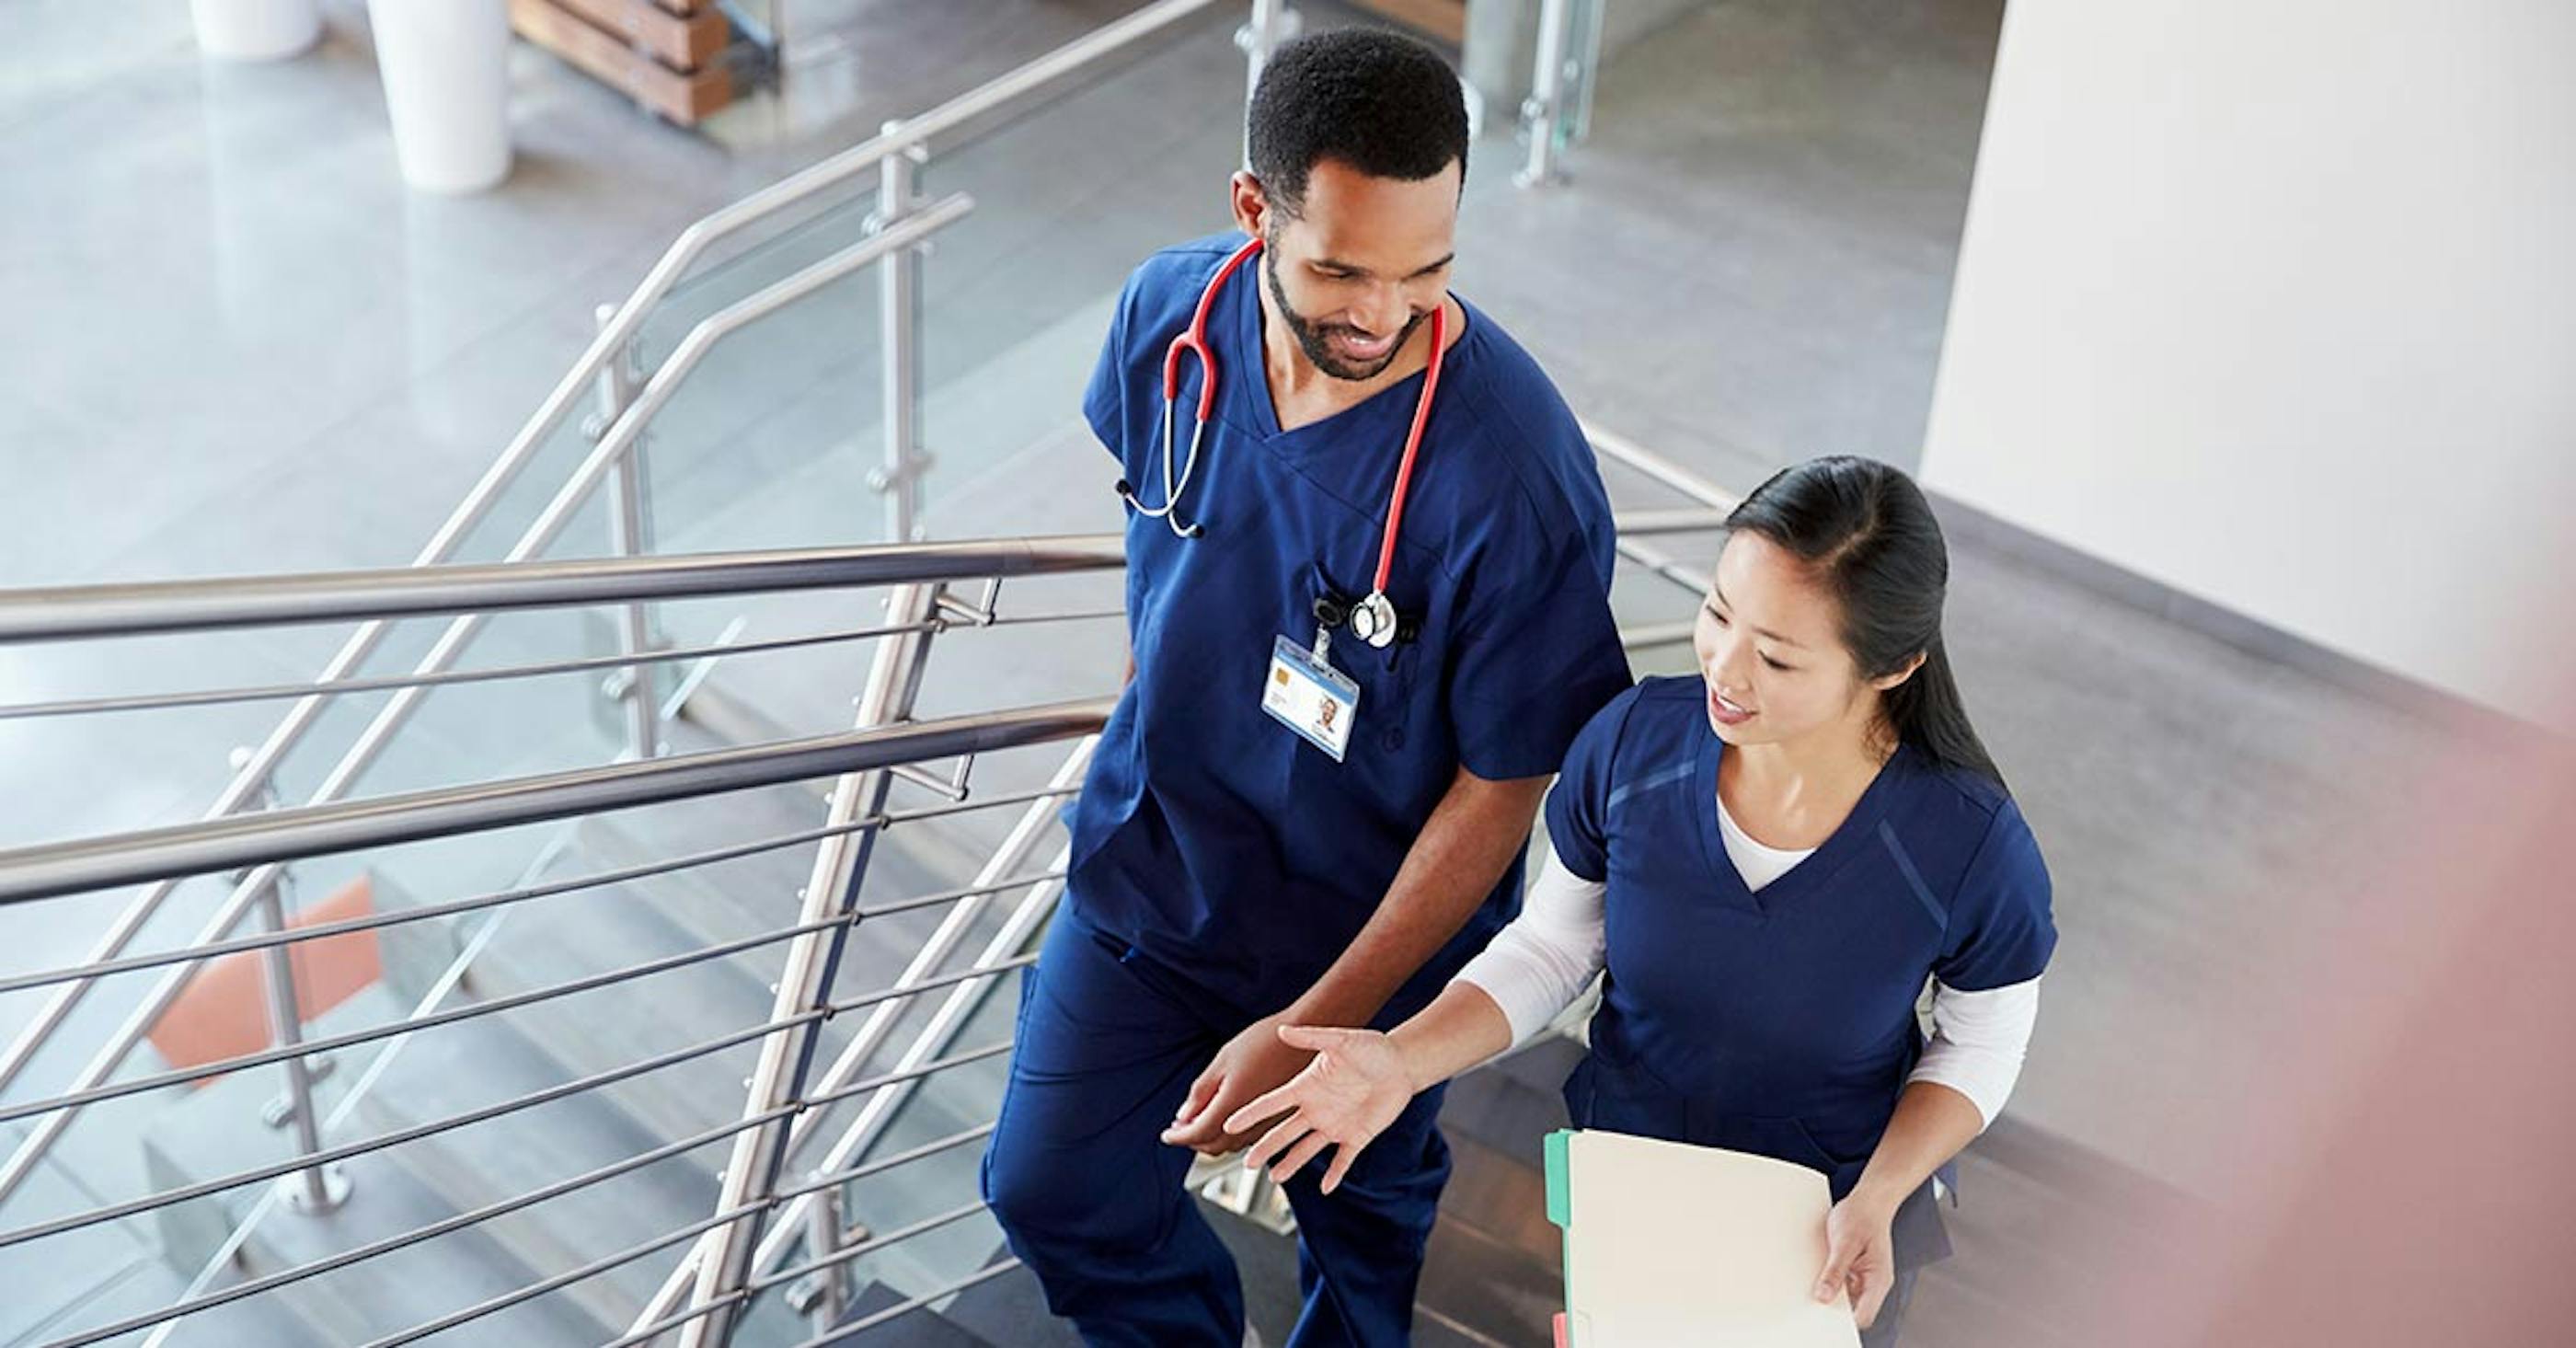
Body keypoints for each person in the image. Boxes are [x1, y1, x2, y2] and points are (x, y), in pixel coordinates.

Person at [979, 28, 1634, 1347]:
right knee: (1047, 1188)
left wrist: (1319, 1023)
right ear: (1251, 209)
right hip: (1157, 875)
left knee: (1364, 1215)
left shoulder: (1513, 477)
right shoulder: (1169, 323)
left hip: (1373, 935)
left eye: (1426, 272)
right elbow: (1165, 547)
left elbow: (1507, 787)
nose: (1383, 316)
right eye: (1339, 269)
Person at [1225, 456, 2057, 1345]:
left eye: (1775, 656)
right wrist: (1402, 1061)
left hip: (1826, 1214)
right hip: (1633, 1166)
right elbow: (1551, 948)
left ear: (1894, 668)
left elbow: (1982, 1038)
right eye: (1718, 613)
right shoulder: (1633, 743)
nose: (1726, 671)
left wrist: (1884, 1192)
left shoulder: (1969, 846)